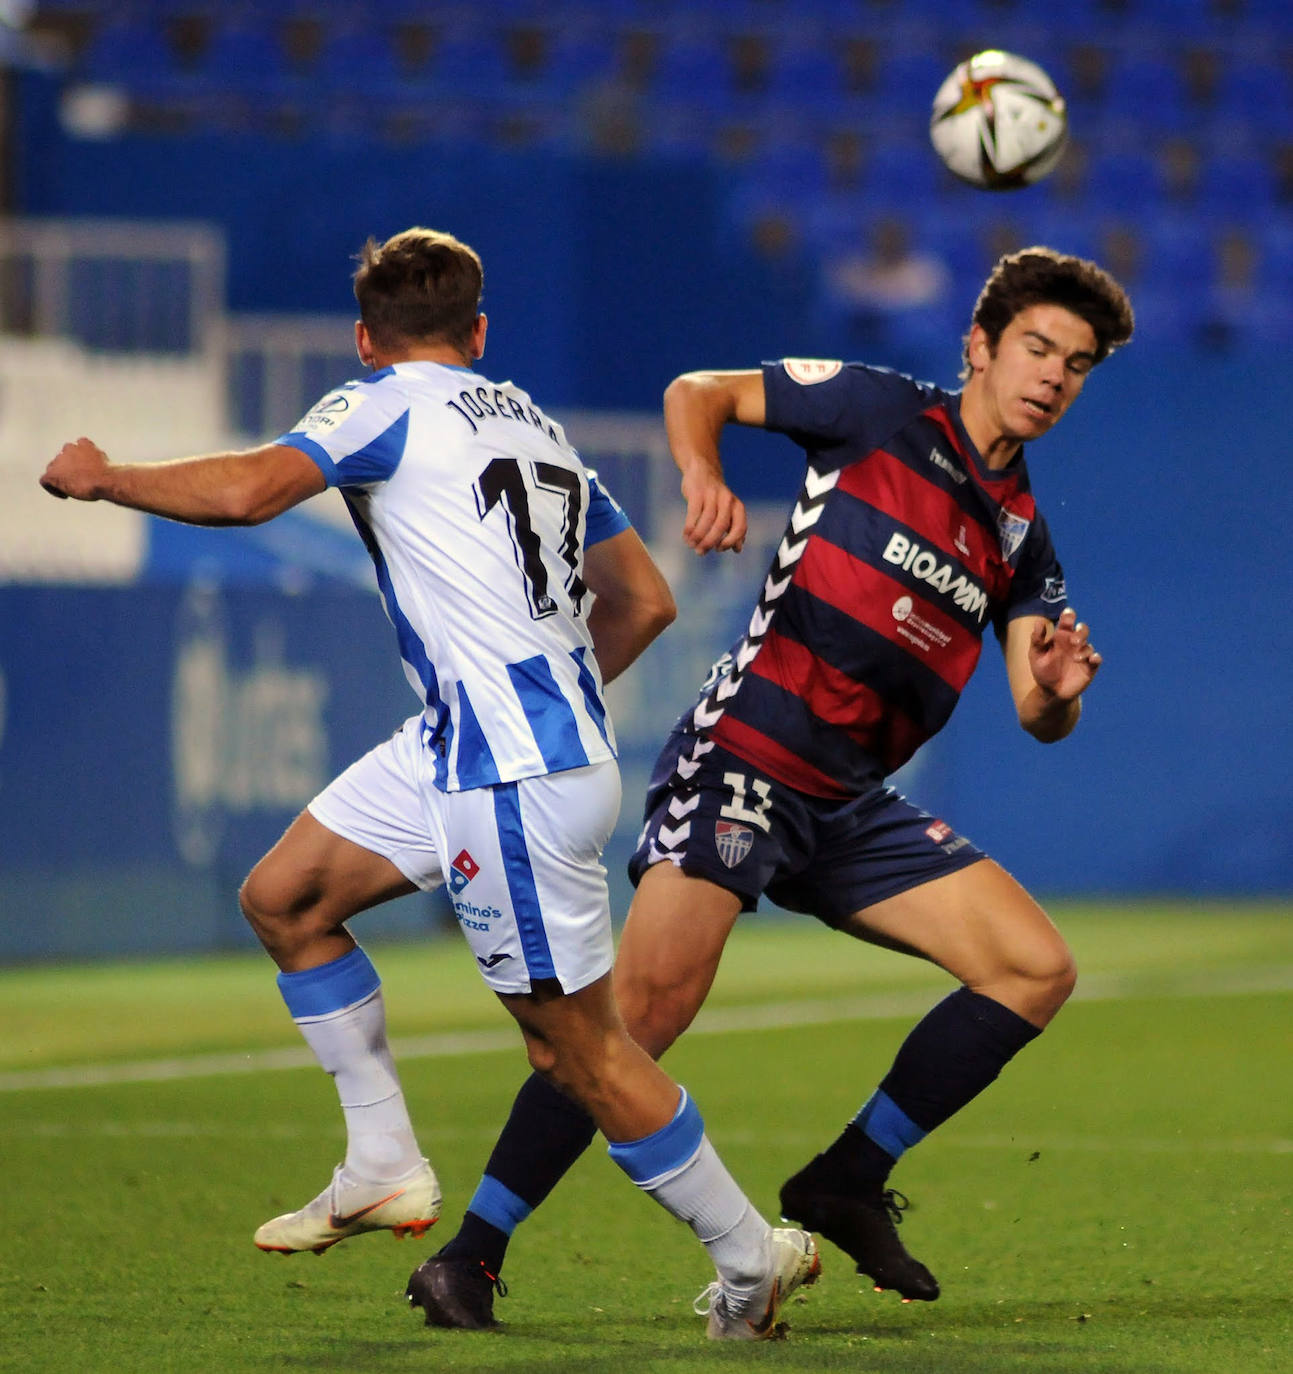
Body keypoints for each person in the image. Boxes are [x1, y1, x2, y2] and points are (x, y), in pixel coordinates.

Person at [39, 226, 820, 1342]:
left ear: (366, 340)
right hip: (477, 746)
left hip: (508, 770)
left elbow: (253, 492)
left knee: (577, 1051)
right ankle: (381, 1161)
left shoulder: (381, 404)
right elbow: (644, 600)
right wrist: (548, 698)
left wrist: (105, 476)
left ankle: (749, 1258)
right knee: (286, 898)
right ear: (479, 331)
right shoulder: (536, 425)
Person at [412, 245, 1135, 1328]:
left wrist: (1061, 694)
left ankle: (846, 1178)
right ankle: (470, 1254)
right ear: (980, 346)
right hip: (749, 754)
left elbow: (1036, 710)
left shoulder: (1020, 535)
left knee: (1033, 969)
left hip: (850, 801)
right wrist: (702, 476)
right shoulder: (879, 410)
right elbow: (695, 392)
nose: (1053, 376)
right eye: (1037, 347)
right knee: (640, 1014)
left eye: (1076, 364)